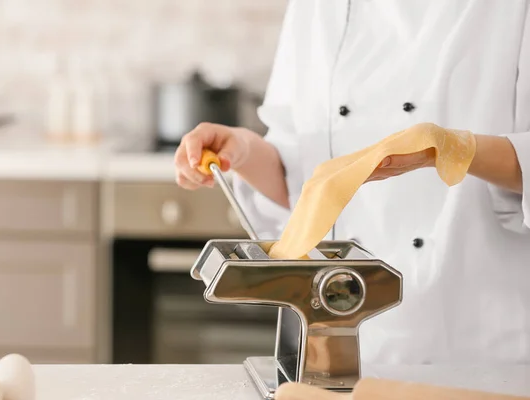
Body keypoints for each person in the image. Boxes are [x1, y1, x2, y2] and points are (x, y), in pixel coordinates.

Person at [174, 1, 530, 365]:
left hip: (474, 339)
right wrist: (245, 151)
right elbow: (302, 179)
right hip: (342, 338)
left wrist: (457, 149)